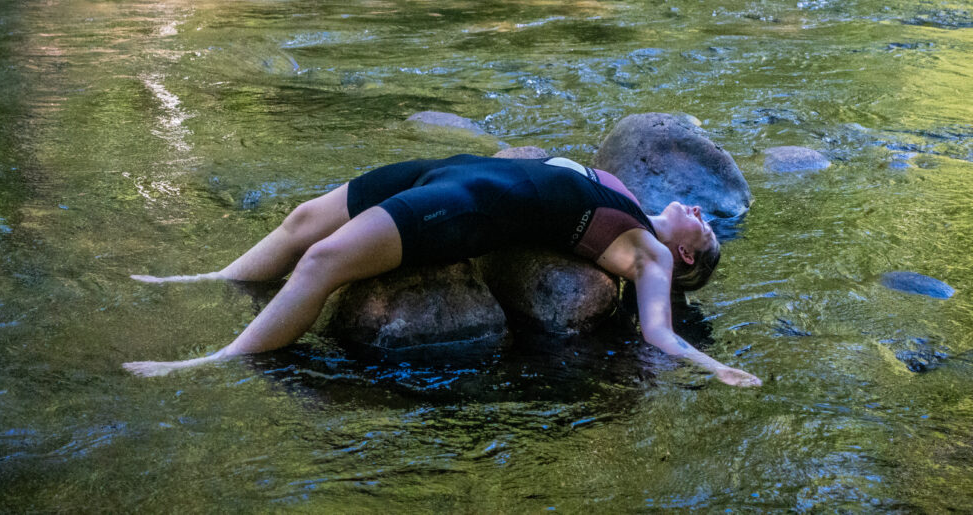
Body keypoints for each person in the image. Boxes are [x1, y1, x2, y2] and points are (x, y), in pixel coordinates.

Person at [124, 154, 762, 387]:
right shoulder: (618, 186)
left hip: (471, 206)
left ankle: (214, 361)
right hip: (450, 167)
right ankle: (216, 280)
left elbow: (657, 333)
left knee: (322, 262)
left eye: (703, 228)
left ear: (684, 258)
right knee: (303, 221)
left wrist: (714, 367)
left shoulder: (646, 255)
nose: (699, 210)